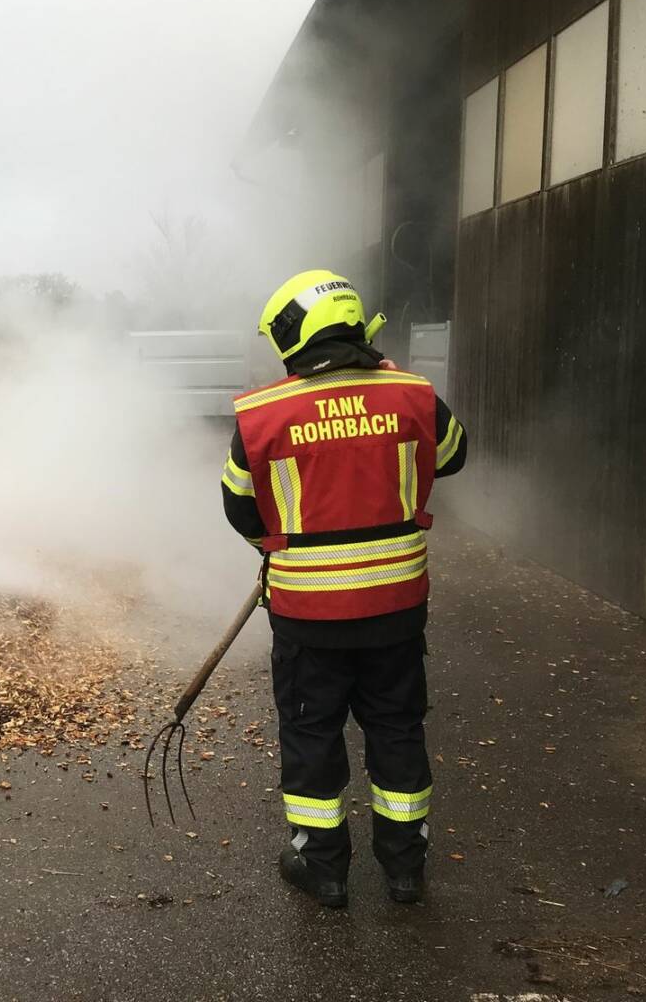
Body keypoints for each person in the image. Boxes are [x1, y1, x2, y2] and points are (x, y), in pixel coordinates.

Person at [221, 269, 467, 909]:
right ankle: (405, 868)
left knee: (311, 737)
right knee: (396, 730)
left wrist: (276, 554)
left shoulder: (261, 414)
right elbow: (454, 455)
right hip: (396, 608)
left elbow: (240, 509)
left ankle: (322, 870)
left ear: (292, 336)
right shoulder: (413, 394)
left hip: (308, 619)